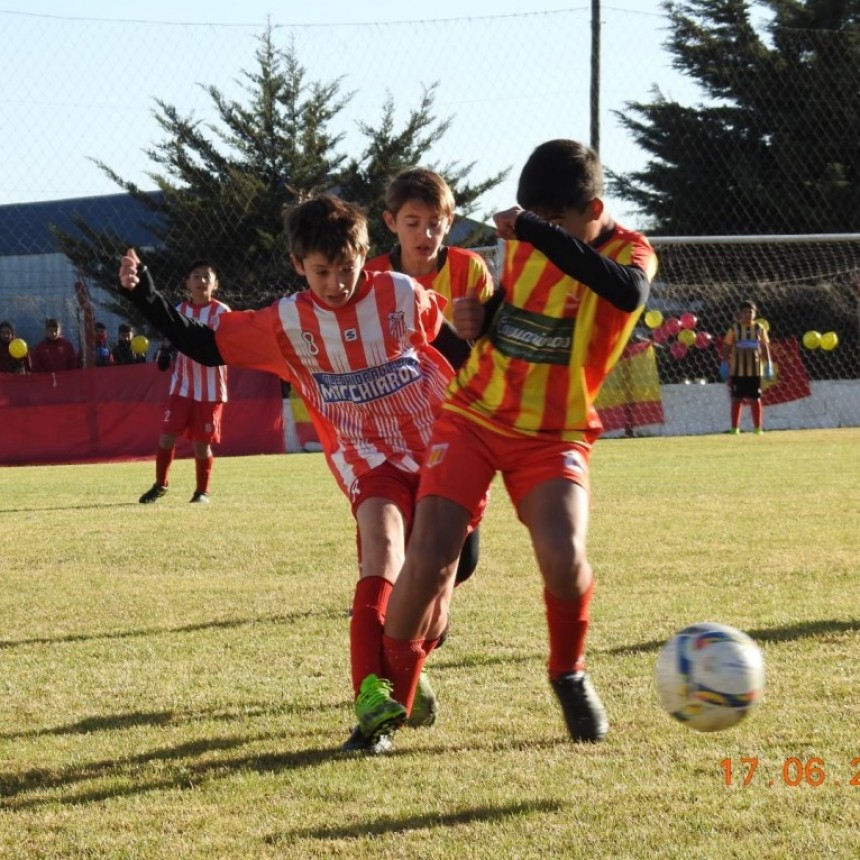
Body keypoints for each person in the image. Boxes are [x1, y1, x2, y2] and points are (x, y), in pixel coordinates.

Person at [118, 194, 473, 754]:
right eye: (320, 272)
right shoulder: (286, 322)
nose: (335, 283)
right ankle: (372, 712)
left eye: (346, 268)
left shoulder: (401, 295)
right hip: (366, 458)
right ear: (298, 266)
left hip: (440, 455)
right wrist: (142, 294)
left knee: (438, 593)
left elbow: (456, 344)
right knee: (382, 553)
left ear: (365, 255)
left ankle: (413, 659)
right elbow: (203, 345)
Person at [353, 139, 658, 749]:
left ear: (591, 208)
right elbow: (514, 315)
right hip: (474, 413)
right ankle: (383, 715)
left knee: (564, 558)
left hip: (553, 433)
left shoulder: (633, 251)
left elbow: (625, 293)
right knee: (430, 557)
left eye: (551, 222)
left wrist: (537, 233)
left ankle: (568, 673)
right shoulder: (528, 239)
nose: (536, 231)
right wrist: (481, 318)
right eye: (535, 222)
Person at [365, 166, 496, 585]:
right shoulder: (372, 276)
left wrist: (480, 332)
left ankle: (416, 600)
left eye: (435, 224)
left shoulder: (470, 270)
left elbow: (489, 348)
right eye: (413, 223)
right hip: (394, 427)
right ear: (391, 223)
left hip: (458, 422)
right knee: (392, 527)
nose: (425, 234)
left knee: (463, 560)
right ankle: (387, 604)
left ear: (449, 223)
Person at [137, 261, 230, 505]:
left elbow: (230, 344)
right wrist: (165, 352)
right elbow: (172, 336)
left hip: (210, 389)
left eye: (206, 277)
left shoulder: (223, 312)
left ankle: (202, 492)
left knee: (201, 444)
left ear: (215, 284)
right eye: (196, 276)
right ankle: (160, 485)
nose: (201, 281)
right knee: (167, 436)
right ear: (187, 283)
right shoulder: (179, 310)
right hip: (182, 386)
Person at [720, 300, 773, 435]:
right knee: (737, 398)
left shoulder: (759, 328)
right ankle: (734, 428)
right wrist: (725, 362)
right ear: (740, 314)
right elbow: (727, 346)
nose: (748, 315)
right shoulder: (734, 329)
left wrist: (768, 364)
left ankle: (757, 428)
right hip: (737, 370)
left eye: (751, 312)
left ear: (755, 314)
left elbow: (764, 346)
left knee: (755, 399)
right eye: (745, 312)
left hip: (755, 370)